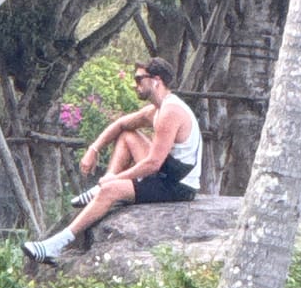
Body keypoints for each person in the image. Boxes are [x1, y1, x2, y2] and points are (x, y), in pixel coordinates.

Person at [22, 57, 202, 264]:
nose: (135, 85)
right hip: (167, 173)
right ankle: (103, 185)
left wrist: (114, 182)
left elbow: (154, 163)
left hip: (179, 185)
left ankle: (53, 246)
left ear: (156, 80)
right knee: (128, 136)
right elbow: (120, 124)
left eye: (138, 79)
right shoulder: (158, 109)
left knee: (111, 190)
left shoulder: (171, 111)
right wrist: (94, 149)